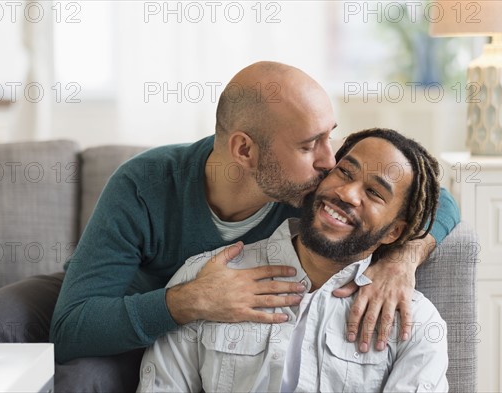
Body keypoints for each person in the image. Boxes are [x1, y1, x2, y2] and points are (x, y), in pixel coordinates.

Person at [0, 62, 459, 391]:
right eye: (310, 147)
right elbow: (75, 324)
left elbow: (434, 201)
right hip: (117, 300)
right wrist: (189, 300)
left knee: (84, 379)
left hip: (181, 330)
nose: (332, 163)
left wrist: (401, 260)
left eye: (332, 137)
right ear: (244, 150)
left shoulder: (314, 198)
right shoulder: (146, 182)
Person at [137, 128, 449, 392]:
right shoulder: (206, 277)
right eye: (344, 172)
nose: (348, 194)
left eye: (375, 193)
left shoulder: (417, 323)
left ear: (393, 232)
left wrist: (406, 260)